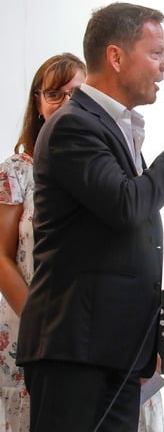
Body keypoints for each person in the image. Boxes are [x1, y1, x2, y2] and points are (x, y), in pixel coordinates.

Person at [16, 3, 164, 432]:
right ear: (116, 57)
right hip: (76, 350)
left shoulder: (113, 124)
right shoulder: (73, 125)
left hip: (116, 348)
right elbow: (125, 206)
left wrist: (147, 340)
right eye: (156, 52)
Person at [0, 53, 85, 432]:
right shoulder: (16, 172)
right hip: (32, 326)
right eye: (55, 94)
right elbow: (0, 257)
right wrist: (41, 322)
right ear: (37, 103)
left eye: (77, 94)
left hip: (92, 328)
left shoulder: (103, 166)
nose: (67, 104)